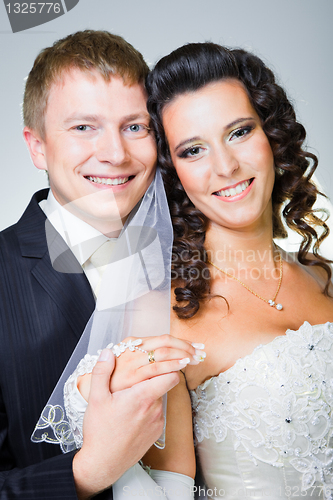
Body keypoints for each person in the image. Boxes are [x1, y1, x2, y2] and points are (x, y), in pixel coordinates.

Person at [0, 30, 201, 500]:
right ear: (37, 147)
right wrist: (87, 472)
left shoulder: (195, 257)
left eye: (135, 126)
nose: (115, 153)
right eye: (83, 127)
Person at [142, 43, 333, 499]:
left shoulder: (325, 276)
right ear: (172, 173)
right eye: (193, 150)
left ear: (272, 134)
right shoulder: (166, 321)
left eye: (239, 132)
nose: (225, 167)